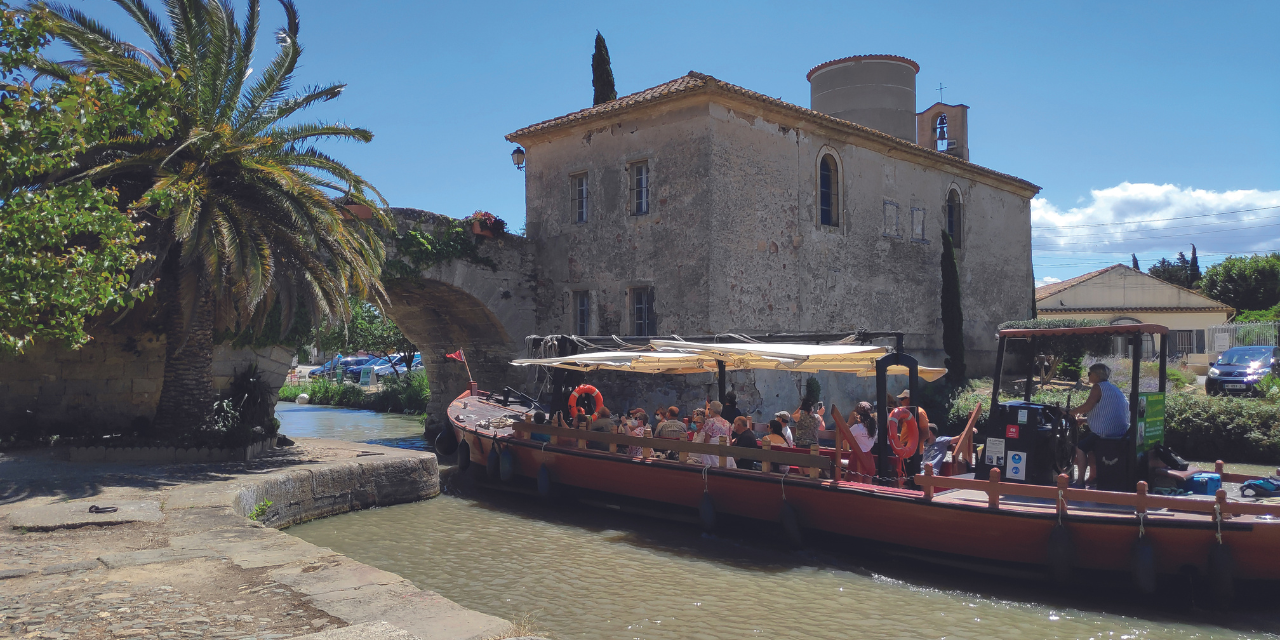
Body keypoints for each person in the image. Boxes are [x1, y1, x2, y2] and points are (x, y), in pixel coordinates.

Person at [1069, 363, 1130, 488]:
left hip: (1106, 432)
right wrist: (1085, 420)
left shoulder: (1098, 387)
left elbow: (1088, 406)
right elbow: (1106, 413)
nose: (1088, 376)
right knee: (1091, 447)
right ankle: (1093, 477)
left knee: (1081, 447)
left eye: (1089, 373)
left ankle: (1079, 481)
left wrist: (1069, 412)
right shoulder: (1114, 388)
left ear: (1096, 375)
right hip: (1121, 431)